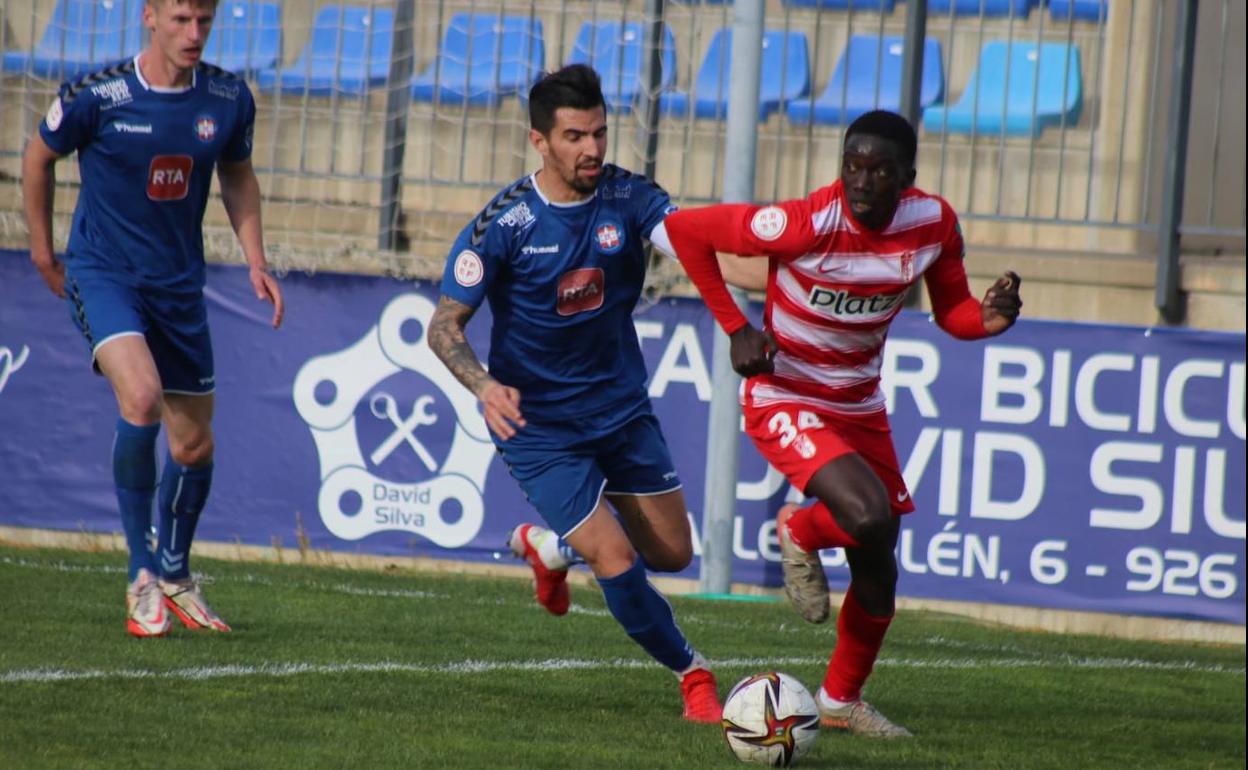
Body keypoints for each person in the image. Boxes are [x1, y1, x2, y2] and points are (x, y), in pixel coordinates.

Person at [661, 110, 1023, 737]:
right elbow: (685, 231)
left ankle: (839, 700)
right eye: (852, 165)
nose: (861, 180)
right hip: (785, 393)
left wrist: (987, 320)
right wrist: (737, 327)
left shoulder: (932, 224)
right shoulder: (802, 222)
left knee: (880, 563)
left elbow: (953, 310)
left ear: (907, 177)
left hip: (858, 404)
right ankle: (802, 528)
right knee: (868, 515)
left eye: (879, 170)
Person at [427, 64, 759, 724]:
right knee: (617, 556)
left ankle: (548, 549)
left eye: (601, 133)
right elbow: (442, 328)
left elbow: (691, 244)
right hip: (539, 426)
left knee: (673, 553)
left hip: (621, 408)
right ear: (539, 141)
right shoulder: (504, 223)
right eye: (575, 136)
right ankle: (693, 673)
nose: (593, 150)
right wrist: (486, 385)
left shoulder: (629, 199)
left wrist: (788, 276)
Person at [21, 0, 283, 637]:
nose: (193, 34)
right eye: (180, 20)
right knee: (139, 398)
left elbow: (238, 173)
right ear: (150, 16)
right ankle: (142, 576)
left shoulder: (226, 97)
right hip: (104, 273)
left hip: (177, 287)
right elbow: (37, 158)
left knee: (193, 444)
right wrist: (42, 249)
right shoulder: (98, 97)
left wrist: (256, 260)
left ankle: (176, 574)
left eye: (204, 22)